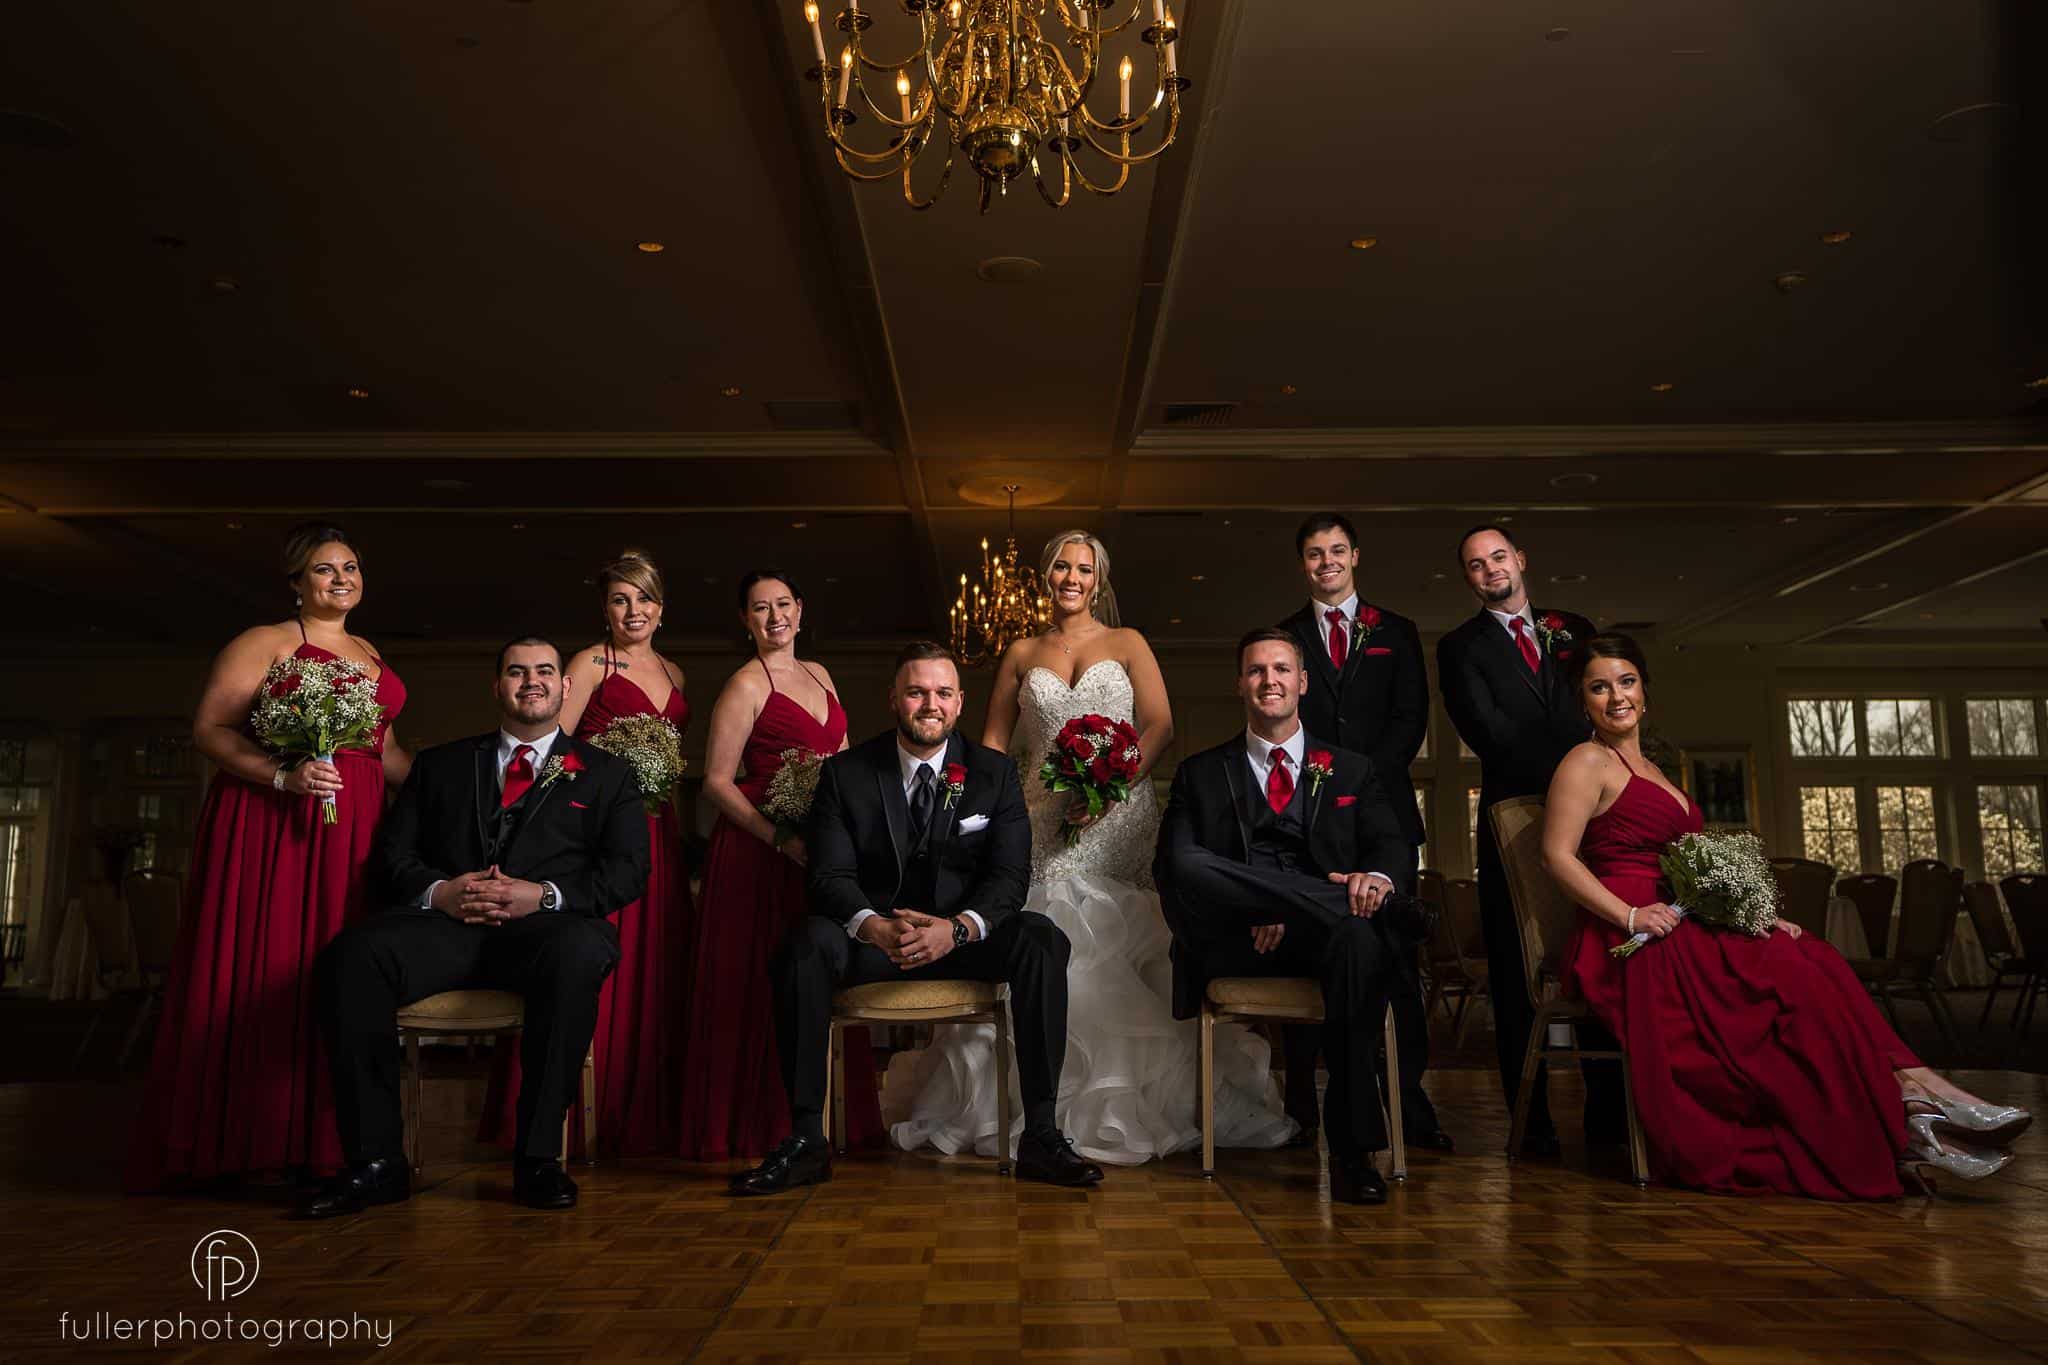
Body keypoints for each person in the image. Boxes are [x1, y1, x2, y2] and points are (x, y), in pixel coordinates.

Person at [1544, 634, 2028, 1197]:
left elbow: (1689, 867)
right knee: (1789, 975)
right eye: (1599, 687)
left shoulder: (1652, 766)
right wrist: (1630, 916)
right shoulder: (1585, 760)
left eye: (1626, 682)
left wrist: (1748, 914)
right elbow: (1556, 856)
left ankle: (1918, 1097)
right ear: (1584, 702)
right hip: (1629, 931)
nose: (1616, 697)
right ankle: (1921, 1111)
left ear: (1644, 691)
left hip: (1679, 914)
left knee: (1815, 957)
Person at [885, 532, 1294, 1163]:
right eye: (1060, 567)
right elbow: (992, 745)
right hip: (1040, 820)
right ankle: (1041, 1112)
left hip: (1120, 821)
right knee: (1046, 942)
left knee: (1127, 949)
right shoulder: (1021, 653)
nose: (1071, 578)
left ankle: (1132, 1104)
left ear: (1098, 579)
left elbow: (1159, 724)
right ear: (1044, 577)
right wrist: (982, 814)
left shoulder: (1128, 644)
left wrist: (1111, 789)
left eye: (1083, 568)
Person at [730, 641, 1103, 1194]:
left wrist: (957, 930)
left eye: (943, 693)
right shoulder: (847, 773)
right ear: (894, 700)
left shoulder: (994, 774)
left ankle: (1041, 1137)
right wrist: (874, 926)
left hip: (962, 942)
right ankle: (807, 1139)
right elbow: (829, 877)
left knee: (1042, 939)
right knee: (804, 946)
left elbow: (1009, 879)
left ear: (959, 703)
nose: (931, 704)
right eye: (917, 692)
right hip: (875, 943)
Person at [301, 637, 649, 1216]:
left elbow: (629, 872)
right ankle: (377, 1162)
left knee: (580, 953)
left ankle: (538, 1160)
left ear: (565, 686)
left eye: (544, 671)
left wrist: (543, 896)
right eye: (517, 671)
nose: (531, 681)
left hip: (544, 933)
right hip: (447, 929)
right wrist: (442, 892)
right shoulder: (440, 765)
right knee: (353, 957)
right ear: (497, 686)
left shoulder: (607, 775)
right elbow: (393, 858)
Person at [127, 522, 410, 1190]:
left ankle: (330, 1139)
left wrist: (467, 781)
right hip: (276, 826)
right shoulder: (265, 642)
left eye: (350, 567)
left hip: (354, 829)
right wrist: (282, 775)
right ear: (295, 583)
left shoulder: (370, 652)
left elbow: (387, 754)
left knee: (342, 970)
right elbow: (210, 729)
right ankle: (247, 1140)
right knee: (273, 962)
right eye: (324, 569)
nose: (341, 579)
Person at [1153, 629, 1432, 1205]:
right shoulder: (1201, 772)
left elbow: (1390, 845)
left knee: (1358, 944)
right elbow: (1174, 870)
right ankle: (1323, 904)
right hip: (1242, 941)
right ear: (1240, 684)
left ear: (1302, 682)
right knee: (1188, 861)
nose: (1270, 680)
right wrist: (1263, 905)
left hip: (1328, 941)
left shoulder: (1351, 770)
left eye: (1282, 669)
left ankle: (1353, 1152)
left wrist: (1379, 878)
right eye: (1256, 670)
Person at [478, 551, 690, 1156]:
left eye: (644, 599)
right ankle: (574, 1121)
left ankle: (643, 1116)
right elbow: (554, 753)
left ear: (661, 609)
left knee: (657, 974)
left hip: (658, 830)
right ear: (605, 609)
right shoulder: (589, 663)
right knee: (590, 968)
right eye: (620, 599)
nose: (633, 610)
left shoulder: (675, 672)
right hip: (595, 835)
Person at [676, 570, 879, 1161]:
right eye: (760, 608)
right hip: (758, 856)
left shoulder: (820, 673)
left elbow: (842, 763)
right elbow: (717, 782)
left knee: (818, 978)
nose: (775, 617)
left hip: (817, 852)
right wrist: (779, 839)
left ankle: (823, 1119)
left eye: (783, 604)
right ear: (746, 620)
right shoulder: (745, 684)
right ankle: (759, 1125)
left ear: (800, 610)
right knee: (759, 982)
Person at [1435, 524, 1621, 1154]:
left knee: (1598, 954)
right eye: (1475, 564)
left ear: (1520, 558)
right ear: (1468, 578)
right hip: (1511, 819)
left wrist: (1586, 782)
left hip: (1592, 817)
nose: (1490, 568)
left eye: (1498, 556)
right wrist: (1577, 765)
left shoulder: (1574, 627)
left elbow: (1598, 709)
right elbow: (1490, 734)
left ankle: (1609, 1122)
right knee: (1517, 970)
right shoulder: (1459, 648)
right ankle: (1530, 1124)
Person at [1275, 513, 1445, 1152]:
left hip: (1384, 817)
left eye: (1337, 550)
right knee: (1308, 952)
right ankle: (1300, 1103)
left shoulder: (1395, 631)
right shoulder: (1287, 636)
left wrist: (1359, 779)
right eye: (1314, 553)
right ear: (1303, 564)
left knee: (1398, 961)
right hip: (1307, 816)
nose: (1327, 562)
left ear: (1355, 556)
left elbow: (1410, 717)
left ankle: (1408, 1100)